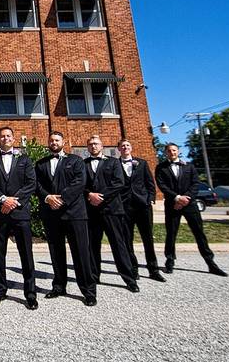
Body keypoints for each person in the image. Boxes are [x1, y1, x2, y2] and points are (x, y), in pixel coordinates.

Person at [35, 131, 97, 306]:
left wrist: (61, 199)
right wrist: (48, 198)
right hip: (51, 214)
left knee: (81, 252)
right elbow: (36, 184)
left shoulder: (76, 161)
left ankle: (88, 290)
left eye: (57, 140)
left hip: (75, 214)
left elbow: (79, 182)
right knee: (56, 252)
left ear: (64, 142)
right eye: (51, 140)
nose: (54, 143)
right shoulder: (41, 164)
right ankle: (59, 286)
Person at [0, 126, 38, 310]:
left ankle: (30, 293)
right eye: (2, 136)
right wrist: (3, 199)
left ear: (13, 139)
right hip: (0, 213)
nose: (5, 138)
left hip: (20, 213)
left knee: (26, 253)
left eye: (8, 136)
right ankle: (0, 289)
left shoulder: (24, 159)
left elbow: (31, 183)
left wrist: (14, 201)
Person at [155, 143, 228, 276]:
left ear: (178, 151)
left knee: (199, 233)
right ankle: (169, 261)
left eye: (174, 150)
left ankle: (210, 263)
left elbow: (195, 184)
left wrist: (185, 199)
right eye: (169, 151)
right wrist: (177, 198)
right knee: (171, 233)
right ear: (166, 153)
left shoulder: (189, 166)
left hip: (190, 204)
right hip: (172, 205)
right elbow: (162, 185)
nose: (172, 152)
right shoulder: (161, 168)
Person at [83, 135, 139, 293]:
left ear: (102, 146)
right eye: (90, 144)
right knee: (93, 246)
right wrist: (89, 195)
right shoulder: (83, 164)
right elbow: (81, 184)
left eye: (96, 144)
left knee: (118, 245)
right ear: (87, 148)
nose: (93, 146)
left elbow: (118, 183)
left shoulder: (113, 162)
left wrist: (100, 196)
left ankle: (129, 279)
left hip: (112, 210)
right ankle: (94, 276)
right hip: (92, 211)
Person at [118, 139, 166, 282]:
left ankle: (153, 269)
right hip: (125, 207)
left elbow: (150, 183)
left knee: (148, 238)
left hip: (143, 206)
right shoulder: (114, 164)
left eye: (127, 145)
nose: (125, 147)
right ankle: (133, 269)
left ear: (131, 148)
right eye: (122, 146)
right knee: (127, 239)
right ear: (118, 149)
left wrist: (150, 199)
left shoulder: (142, 163)